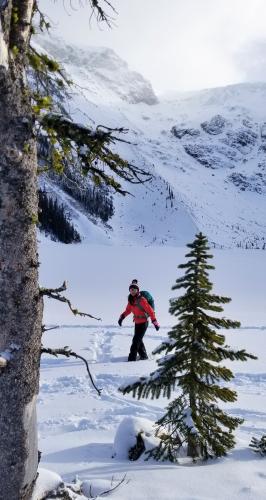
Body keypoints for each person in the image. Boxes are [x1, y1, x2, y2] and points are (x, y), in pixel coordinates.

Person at [118, 279, 160, 361]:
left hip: (144, 323)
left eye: (134, 289)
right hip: (137, 322)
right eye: (130, 290)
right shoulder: (130, 300)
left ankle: (131, 359)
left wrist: (154, 322)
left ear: (137, 290)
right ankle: (144, 356)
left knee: (136, 341)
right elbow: (128, 310)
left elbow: (150, 311)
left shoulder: (142, 300)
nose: (132, 291)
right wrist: (121, 317)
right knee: (138, 340)